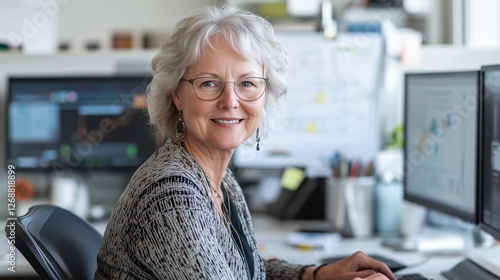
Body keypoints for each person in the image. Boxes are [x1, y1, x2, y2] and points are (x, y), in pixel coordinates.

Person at [95, 5, 396, 280]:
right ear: (177, 96)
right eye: (209, 83)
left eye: (247, 84)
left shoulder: (219, 180)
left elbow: (242, 268)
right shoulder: (171, 196)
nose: (230, 101)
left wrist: (315, 274)